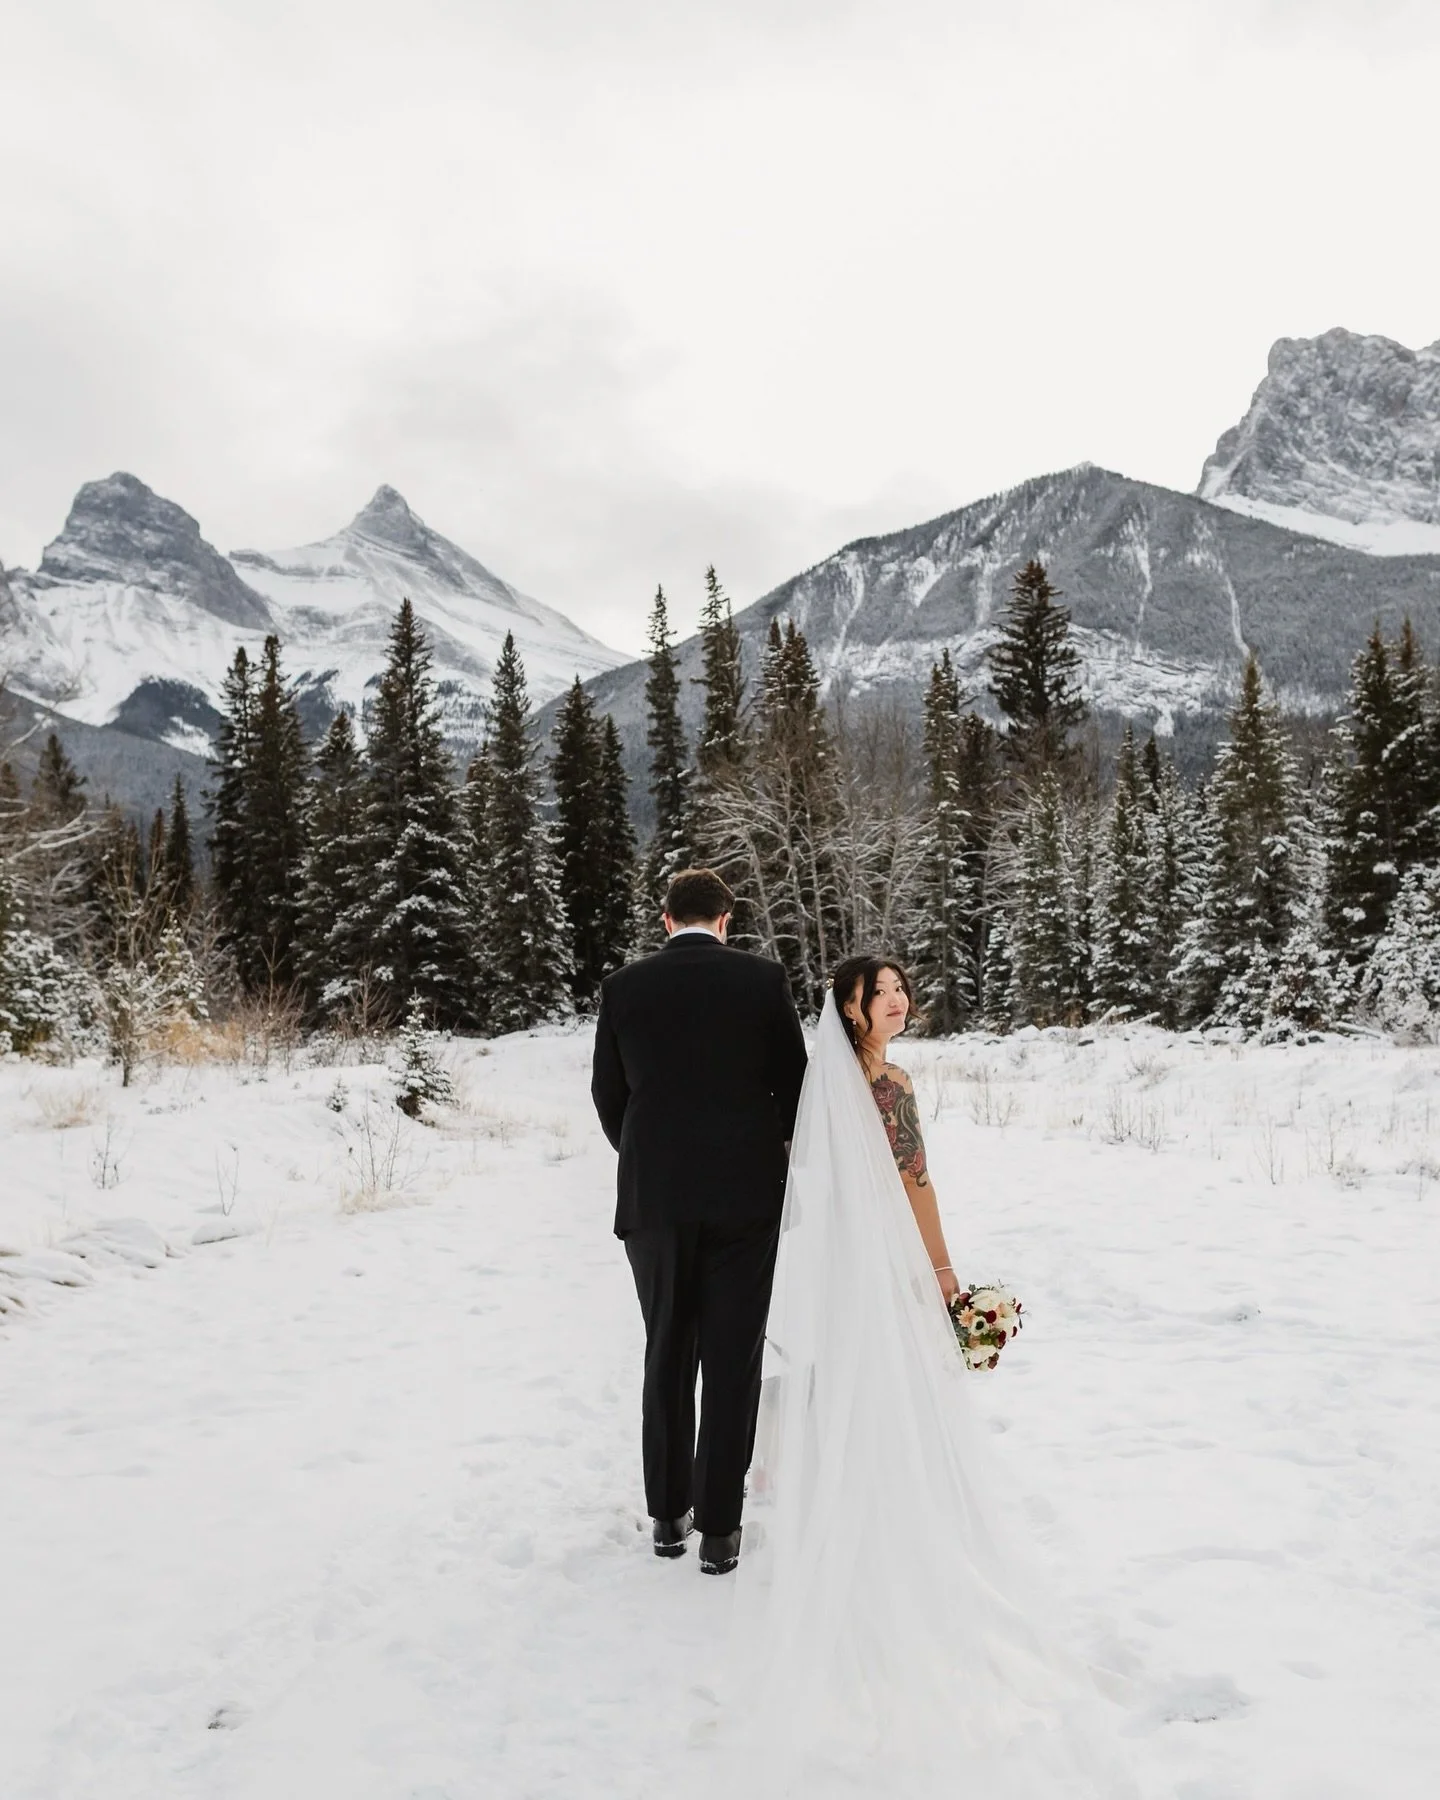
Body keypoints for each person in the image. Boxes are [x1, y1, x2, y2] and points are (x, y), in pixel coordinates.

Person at [713, 953, 1133, 1799]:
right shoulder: (889, 1087)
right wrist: (942, 1272)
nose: (900, 1002)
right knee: (897, 1381)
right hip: (885, 1262)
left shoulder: (820, 1089)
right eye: (883, 994)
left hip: (836, 1262)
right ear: (851, 1010)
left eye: (902, 989)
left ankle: (843, 1485)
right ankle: (891, 1495)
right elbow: (916, 1180)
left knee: (852, 1376)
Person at [590, 868, 809, 1576]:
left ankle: (666, 1519)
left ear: (664, 919)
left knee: (667, 1352)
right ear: (726, 917)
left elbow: (608, 1096)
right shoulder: (762, 979)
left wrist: (654, 1155)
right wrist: (747, 1144)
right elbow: (796, 1086)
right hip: (745, 1198)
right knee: (732, 1359)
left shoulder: (624, 986)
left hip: (654, 1201)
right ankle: (720, 1531)